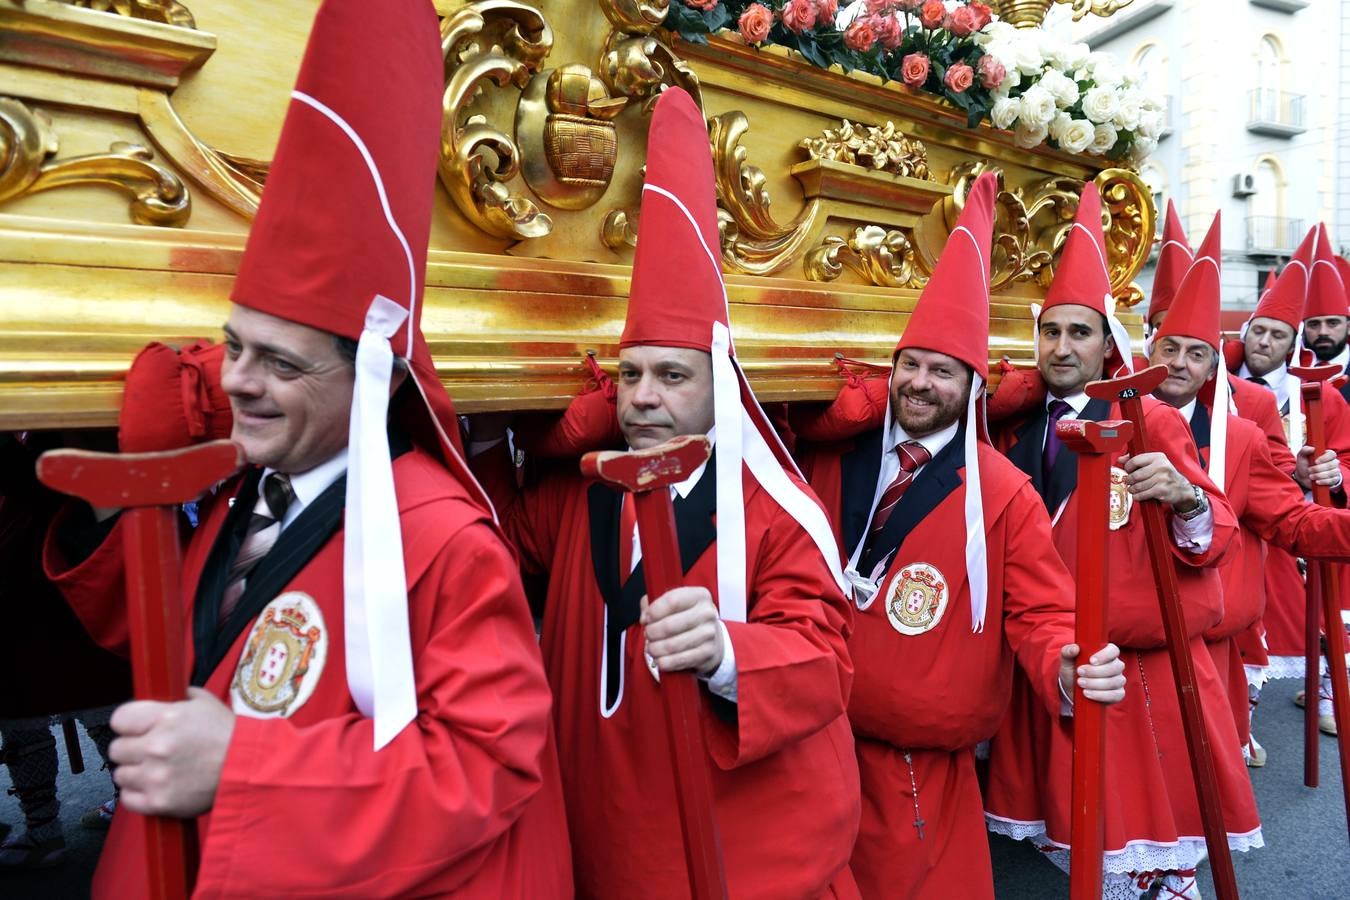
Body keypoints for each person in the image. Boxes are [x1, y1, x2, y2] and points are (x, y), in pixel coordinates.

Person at [41, 2, 570, 896]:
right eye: (233, 345)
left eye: (280, 362)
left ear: (375, 383)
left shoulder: (444, 543)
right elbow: (181, 645)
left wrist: (242, 769)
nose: (237, 381)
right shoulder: (247, 488)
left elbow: (487, 769)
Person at [469, 87, 861, 899]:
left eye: (672, 376)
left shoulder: (775, 508)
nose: (644, 397)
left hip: (732, 843)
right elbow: (489, 539)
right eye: (631, 376)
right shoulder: (580, 492)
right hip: (599, 824)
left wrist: (727, 651)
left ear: (721, 387)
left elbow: (824, 660)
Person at [793, 172, 1125, 899]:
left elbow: (1039, 610)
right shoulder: (827, 462)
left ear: (972, 386)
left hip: (918, 777)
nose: (920, 383)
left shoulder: (1004, 493)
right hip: (806, 748)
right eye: (909, 365)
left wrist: (1067, 663)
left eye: (941, 371)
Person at [983, 183, 1257, 900]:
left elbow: (1216, 529)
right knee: (1070, 854)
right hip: (1051, 669)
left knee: (1151, 867)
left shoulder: (1151, 421)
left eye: (1080, 332)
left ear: (1109, 344)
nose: (1063, 346)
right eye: (1051, 331)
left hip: (1140, 680)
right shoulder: (1009, 433)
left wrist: (1187, 495)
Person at [1147, 212, 1350, 765]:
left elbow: (1292, 519)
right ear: (1148, 348)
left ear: (1215, 361)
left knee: (1203, 777)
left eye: (1196, 353)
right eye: (1169, 347)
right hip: (1130, 635)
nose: (1179, 364)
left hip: (1211, 623)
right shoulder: (1112, 421)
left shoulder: (1238, 433)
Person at [1228, 225, 1350, 737]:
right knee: (1239, 611)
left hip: (1302, 517)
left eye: (1278, 334)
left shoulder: (1324, 397)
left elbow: (1344, 458)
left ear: (1292, 342)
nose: (1265, 341)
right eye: (1258, 330)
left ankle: (1328, 686)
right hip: (1245, 519)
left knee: (1329, 605)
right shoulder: (1224, 389)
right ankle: (1242, 711)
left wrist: (1331, 475)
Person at [0, 431, 128, 868]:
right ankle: (45, 828)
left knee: (95, 698)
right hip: (27, 573)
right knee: (26, 710)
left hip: (65, 564)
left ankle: (124, 810)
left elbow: (34, 470)